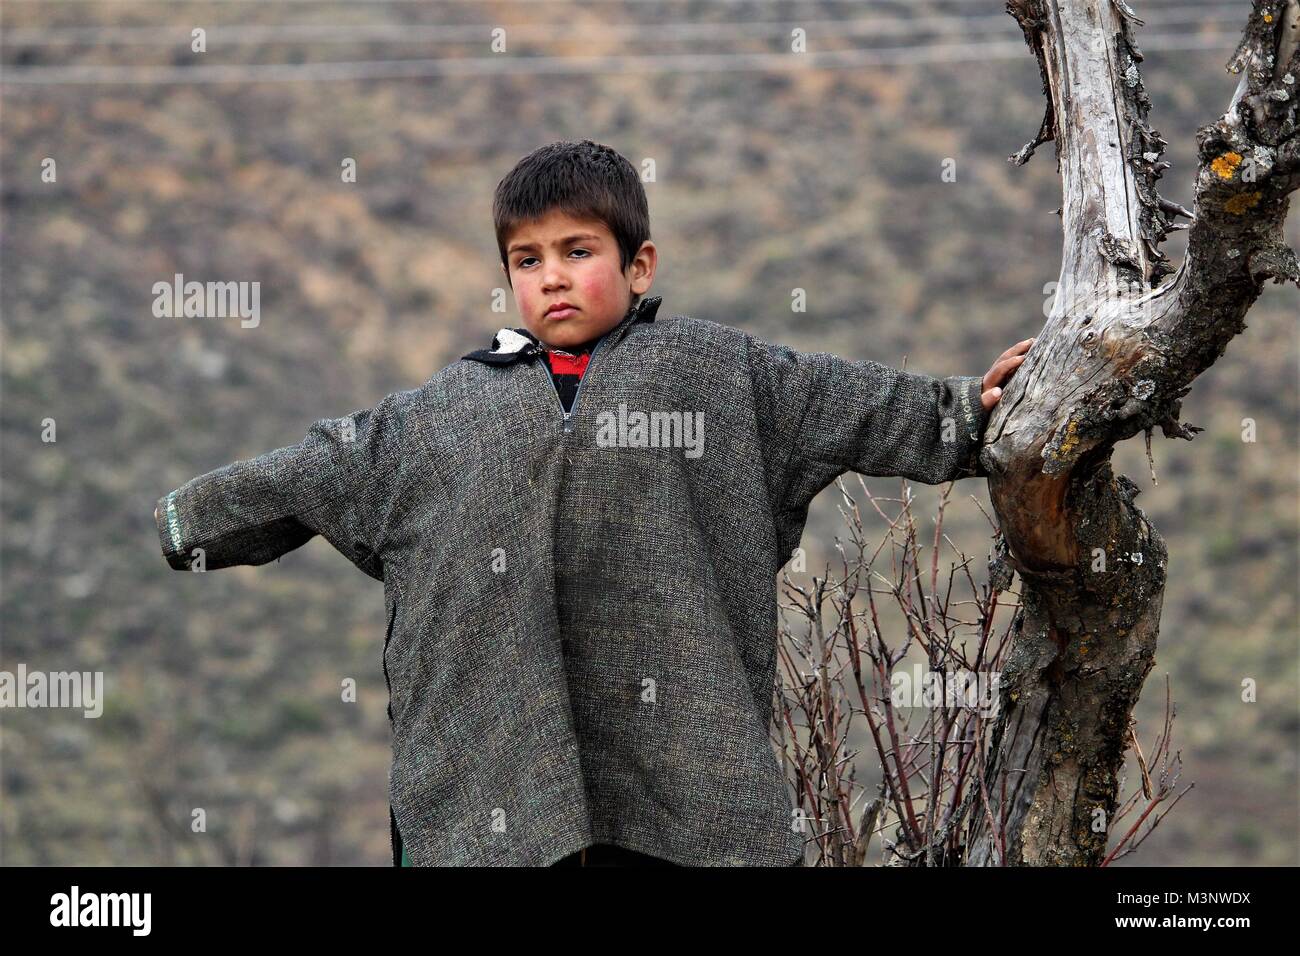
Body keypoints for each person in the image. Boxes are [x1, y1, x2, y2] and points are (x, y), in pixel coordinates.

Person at [155, 139, 1031, 867]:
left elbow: (855, 403)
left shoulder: (719, 374)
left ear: (638, 263)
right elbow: (310, 472)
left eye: (578, 252)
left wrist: (964, 410)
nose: (553, 278)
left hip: (689, 784)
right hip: (492, 797)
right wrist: (188, 524)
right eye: (527, 261)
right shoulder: (437, 418)